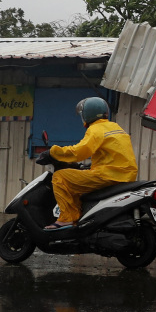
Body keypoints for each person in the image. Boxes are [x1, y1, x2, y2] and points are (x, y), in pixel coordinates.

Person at [44, 97, 138, 229]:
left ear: (87, 114)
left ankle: (66, 219)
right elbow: (111, 154)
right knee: (77, 183)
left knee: (60, 177)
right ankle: (81, 221)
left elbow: (79, 152)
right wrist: (89, 166)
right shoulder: (115, 127)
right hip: (124, 175)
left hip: (108, 175)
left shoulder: (96, 129)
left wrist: (53, 152)